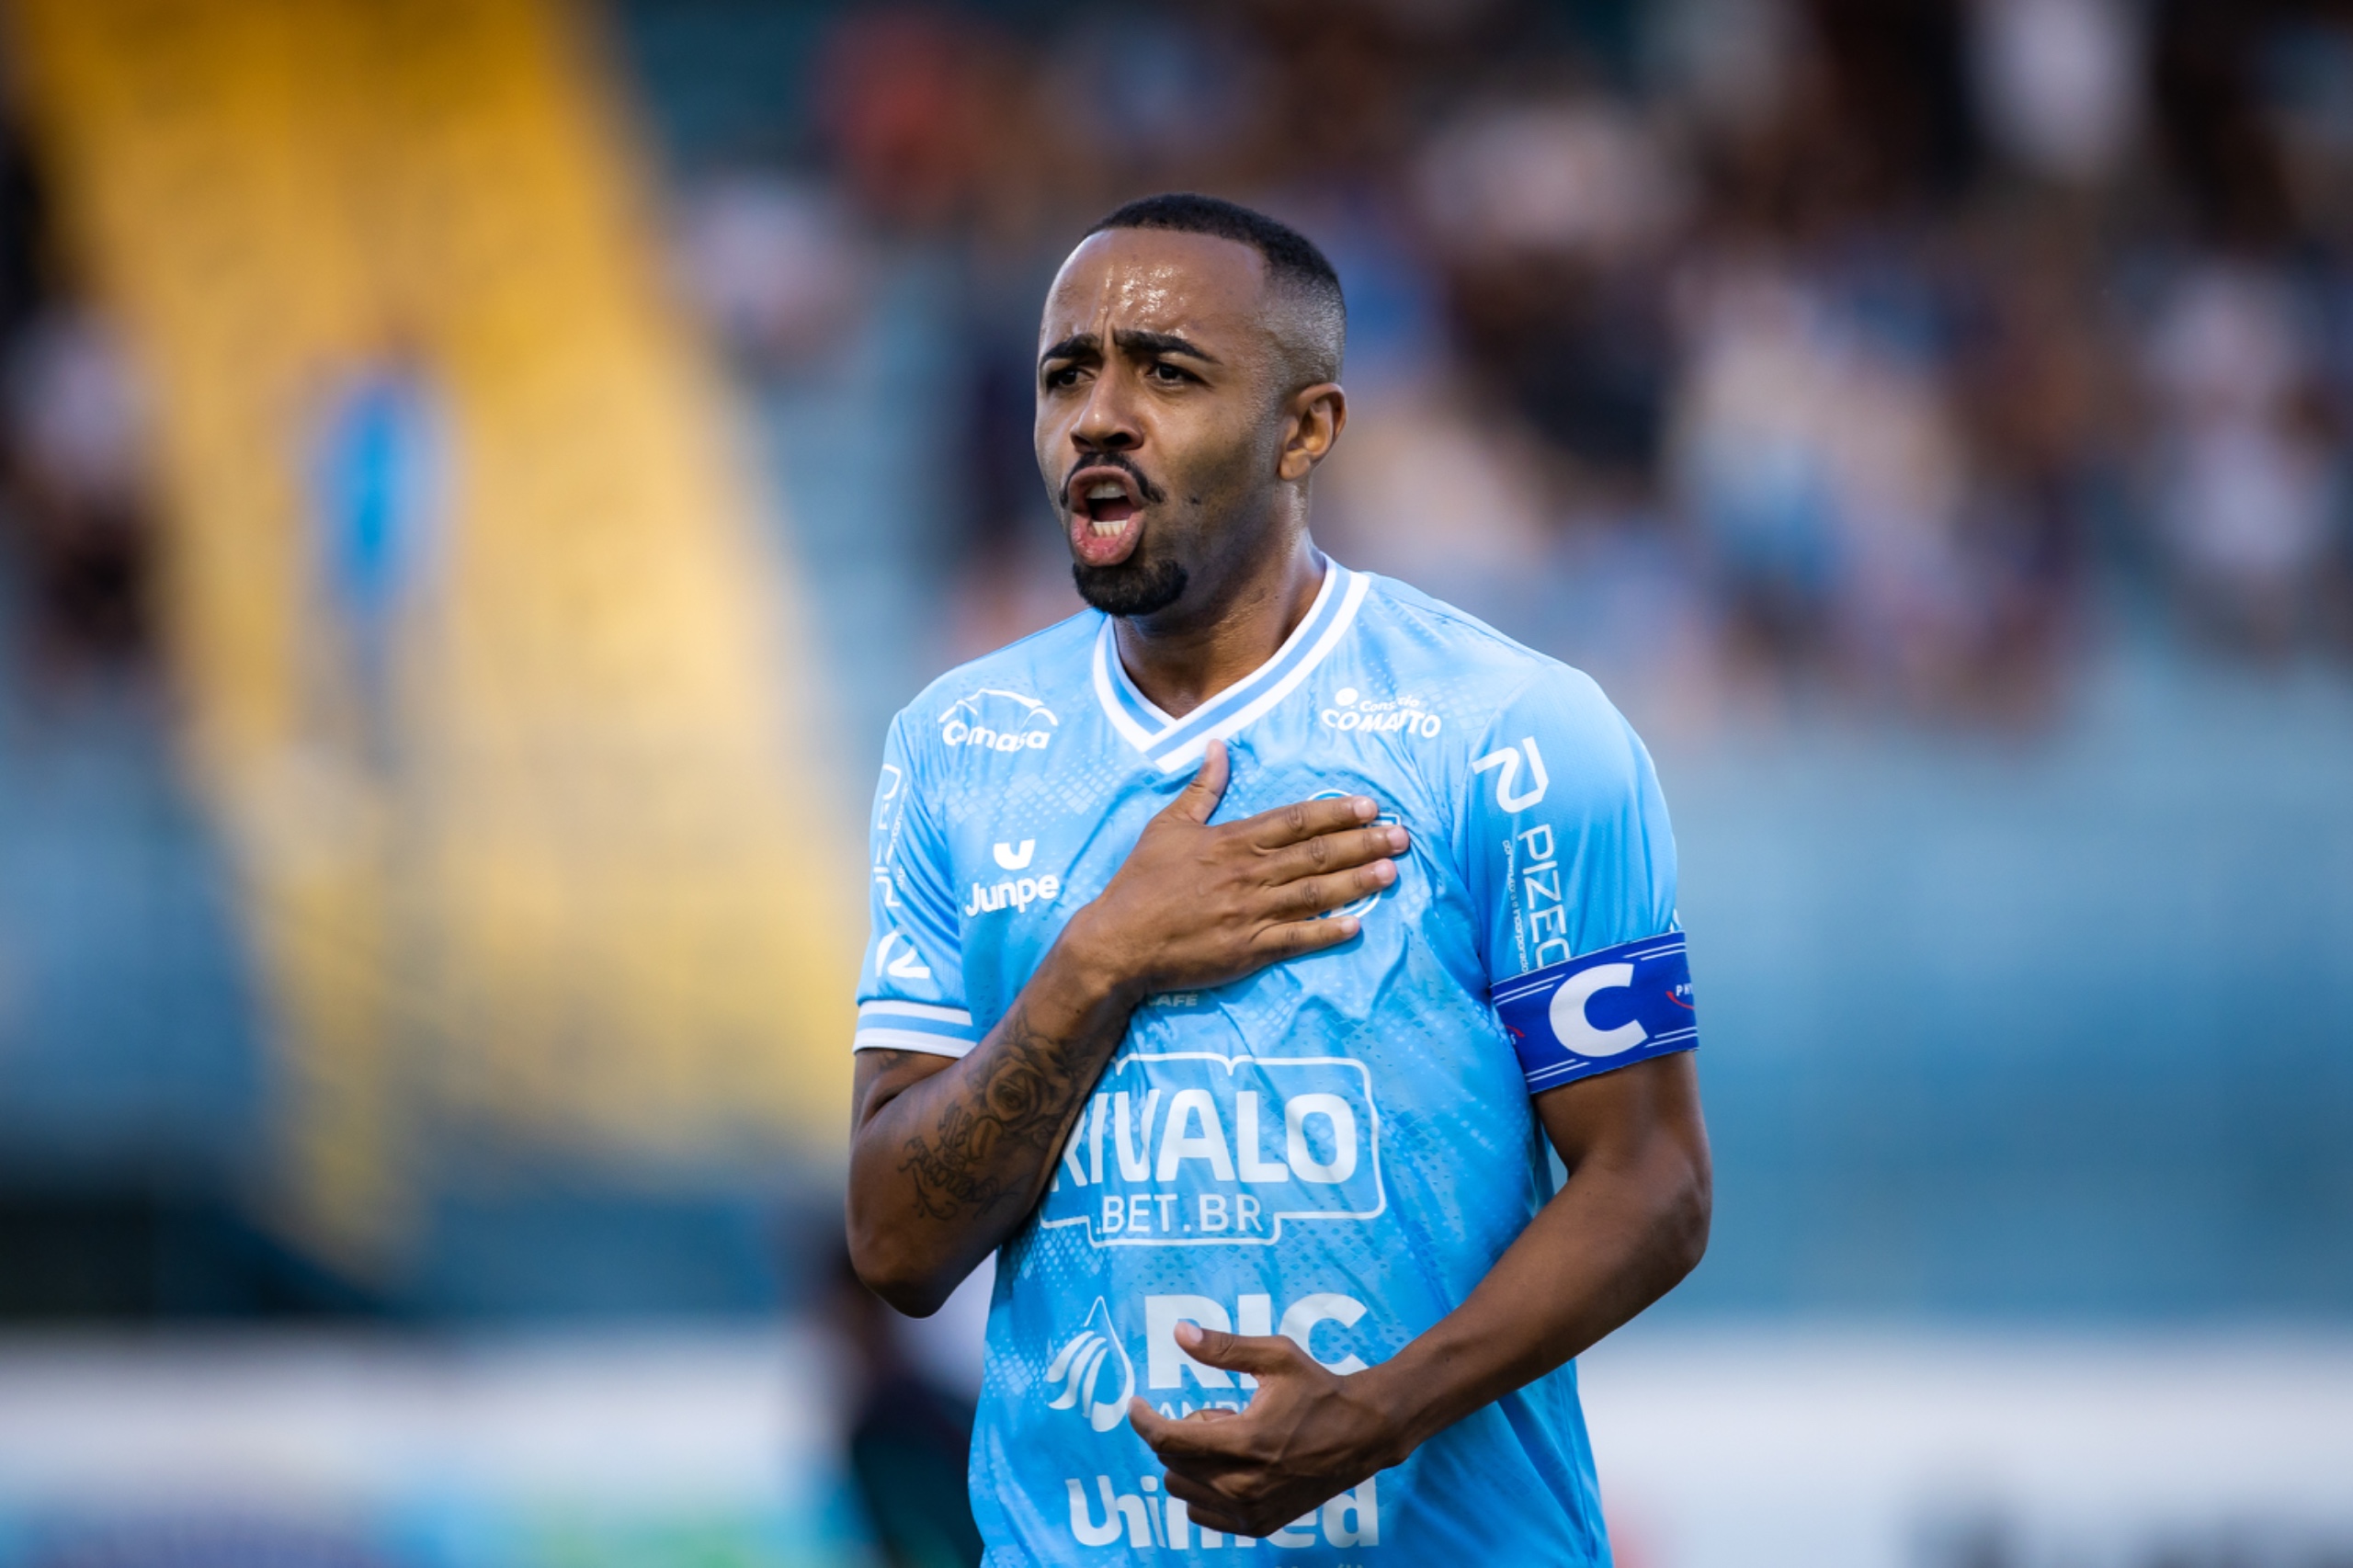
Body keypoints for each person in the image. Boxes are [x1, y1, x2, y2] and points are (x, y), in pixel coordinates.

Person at [847, 192, 1710, 1563]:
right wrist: (1103, 957)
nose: (1099, 418)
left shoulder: (1516, 735)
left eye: (1167, 373)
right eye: (1067, 375)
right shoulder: (957, 748)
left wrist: (1375, 1414)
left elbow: (1653, 1179)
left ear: (1306, 429)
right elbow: (897, 1245)